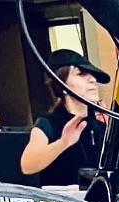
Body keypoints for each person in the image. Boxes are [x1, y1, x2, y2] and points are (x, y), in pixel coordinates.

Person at [18, 50, 108, 189]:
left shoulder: (101, 126)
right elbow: (27, 165)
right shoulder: (48, 123)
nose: (92, 80)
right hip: (61, 200)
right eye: (81, 74)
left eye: (92, 75)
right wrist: (63, 142)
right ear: (62, 86)